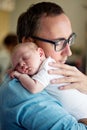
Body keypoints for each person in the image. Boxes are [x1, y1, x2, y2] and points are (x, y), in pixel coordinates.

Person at [0, 2, 87, 130]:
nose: (68, 52)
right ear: (29, 43)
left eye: (69, 40)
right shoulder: (19, 91)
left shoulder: (52, 75)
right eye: (59, 42)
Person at [10, 42, 87, 123]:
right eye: (17, 65)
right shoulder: (39, 69)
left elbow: (34, 88)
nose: (22, 64)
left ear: (40, 53)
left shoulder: (47, 67)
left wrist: (20, 75)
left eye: (25, 58)